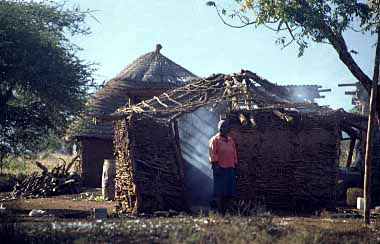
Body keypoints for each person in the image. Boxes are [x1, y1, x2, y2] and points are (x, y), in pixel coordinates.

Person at [209, 120, 238, 215]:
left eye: (226, 127)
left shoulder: (230, 140)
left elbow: (234, 154)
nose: (225, 129)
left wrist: (235, 167)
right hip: (220, 169)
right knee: (220, 192)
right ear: (219, 128)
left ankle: (226, 212)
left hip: (230, 169)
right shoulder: (215, 140)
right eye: (222, 127)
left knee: (229, 192)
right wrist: (216, 166)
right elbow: (213, 154)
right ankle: (220, 212)